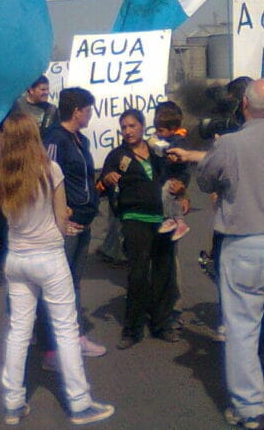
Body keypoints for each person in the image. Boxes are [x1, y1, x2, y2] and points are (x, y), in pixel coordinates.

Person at [172, 79, 264, 429]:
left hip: (248, 242)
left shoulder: (230, 144)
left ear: (244, 106)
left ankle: (250, 408)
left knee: (242, 330)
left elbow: (205, 182)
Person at [0, 112, 114, 426]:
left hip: (17, 258)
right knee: (65, 329)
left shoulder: (3, 173)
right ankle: (79, 402)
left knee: (19, 331)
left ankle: (13, 403)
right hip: (48, 256)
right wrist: (64, 223)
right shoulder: (50, 169)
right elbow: (61, 219)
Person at [100, 109, 179, 349]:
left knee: (164, 272)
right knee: (138, 273)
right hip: (134, 217)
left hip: (163, 218)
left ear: (143, 127)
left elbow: (175, 175)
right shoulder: (117, 155)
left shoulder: (158, 151)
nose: (128, 131)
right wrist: (108, 178)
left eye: (132, 126)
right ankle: (132, 330)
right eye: (124, 127)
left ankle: (161, 324)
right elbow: (102, 184)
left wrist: (179, 187)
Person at [39, 87, 105, 368]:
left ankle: (73, 337)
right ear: (77, 111)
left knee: (73, 284)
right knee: (56, 287)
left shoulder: (82, 141)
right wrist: (60, 217)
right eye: (89, 110)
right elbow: (46, 178)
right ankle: (51, 349)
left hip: (84, 222)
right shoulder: (55, 138)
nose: (91, 115)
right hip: (66, 226)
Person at [0, 77, 58, 262]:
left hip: (38, 164)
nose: (46, 92)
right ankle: (1, 245)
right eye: (42, 89)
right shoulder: (15, 107)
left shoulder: (52, 111)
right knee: (7, 203)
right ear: (30, 90)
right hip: (14, 162)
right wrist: (8, 149)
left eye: (47, 89)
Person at [151, 100, 191, 242]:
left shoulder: (178, 141)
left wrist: (172, 157)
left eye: (161, 130)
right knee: (170, 198)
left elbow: (183, 163)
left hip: (174, 177)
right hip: (165, 178)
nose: (158, 133)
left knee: (168, 196)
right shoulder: (159, 139)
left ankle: (172, 220)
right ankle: (178, 222)